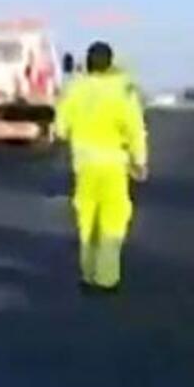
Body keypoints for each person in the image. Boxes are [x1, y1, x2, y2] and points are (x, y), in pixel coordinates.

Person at [52, 41, 148, 293]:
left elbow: (61, 129)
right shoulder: (123, 90)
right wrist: (139, 161)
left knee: (86, 220)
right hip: (114, 163)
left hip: (84, 163)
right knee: (113, 220)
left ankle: (88, 273)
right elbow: (134, 128)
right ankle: (106, 277)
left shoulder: (75, 88)